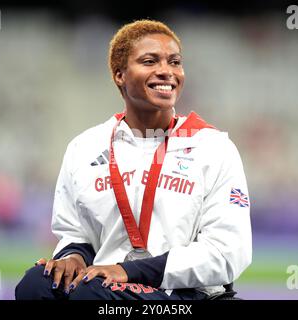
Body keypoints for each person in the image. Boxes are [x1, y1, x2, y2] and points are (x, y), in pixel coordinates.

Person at [15, 19, 252, 300]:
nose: (166, 71)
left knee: (90, 296)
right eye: (150, 61)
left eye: (174, 62)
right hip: (110, 287)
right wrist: (73, 256)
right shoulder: (85, 147)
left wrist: (131, 271)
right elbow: (75, 232)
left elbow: (228, 254)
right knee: (35, 286)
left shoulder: (213, 147)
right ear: (120, 75)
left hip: (186, 296)